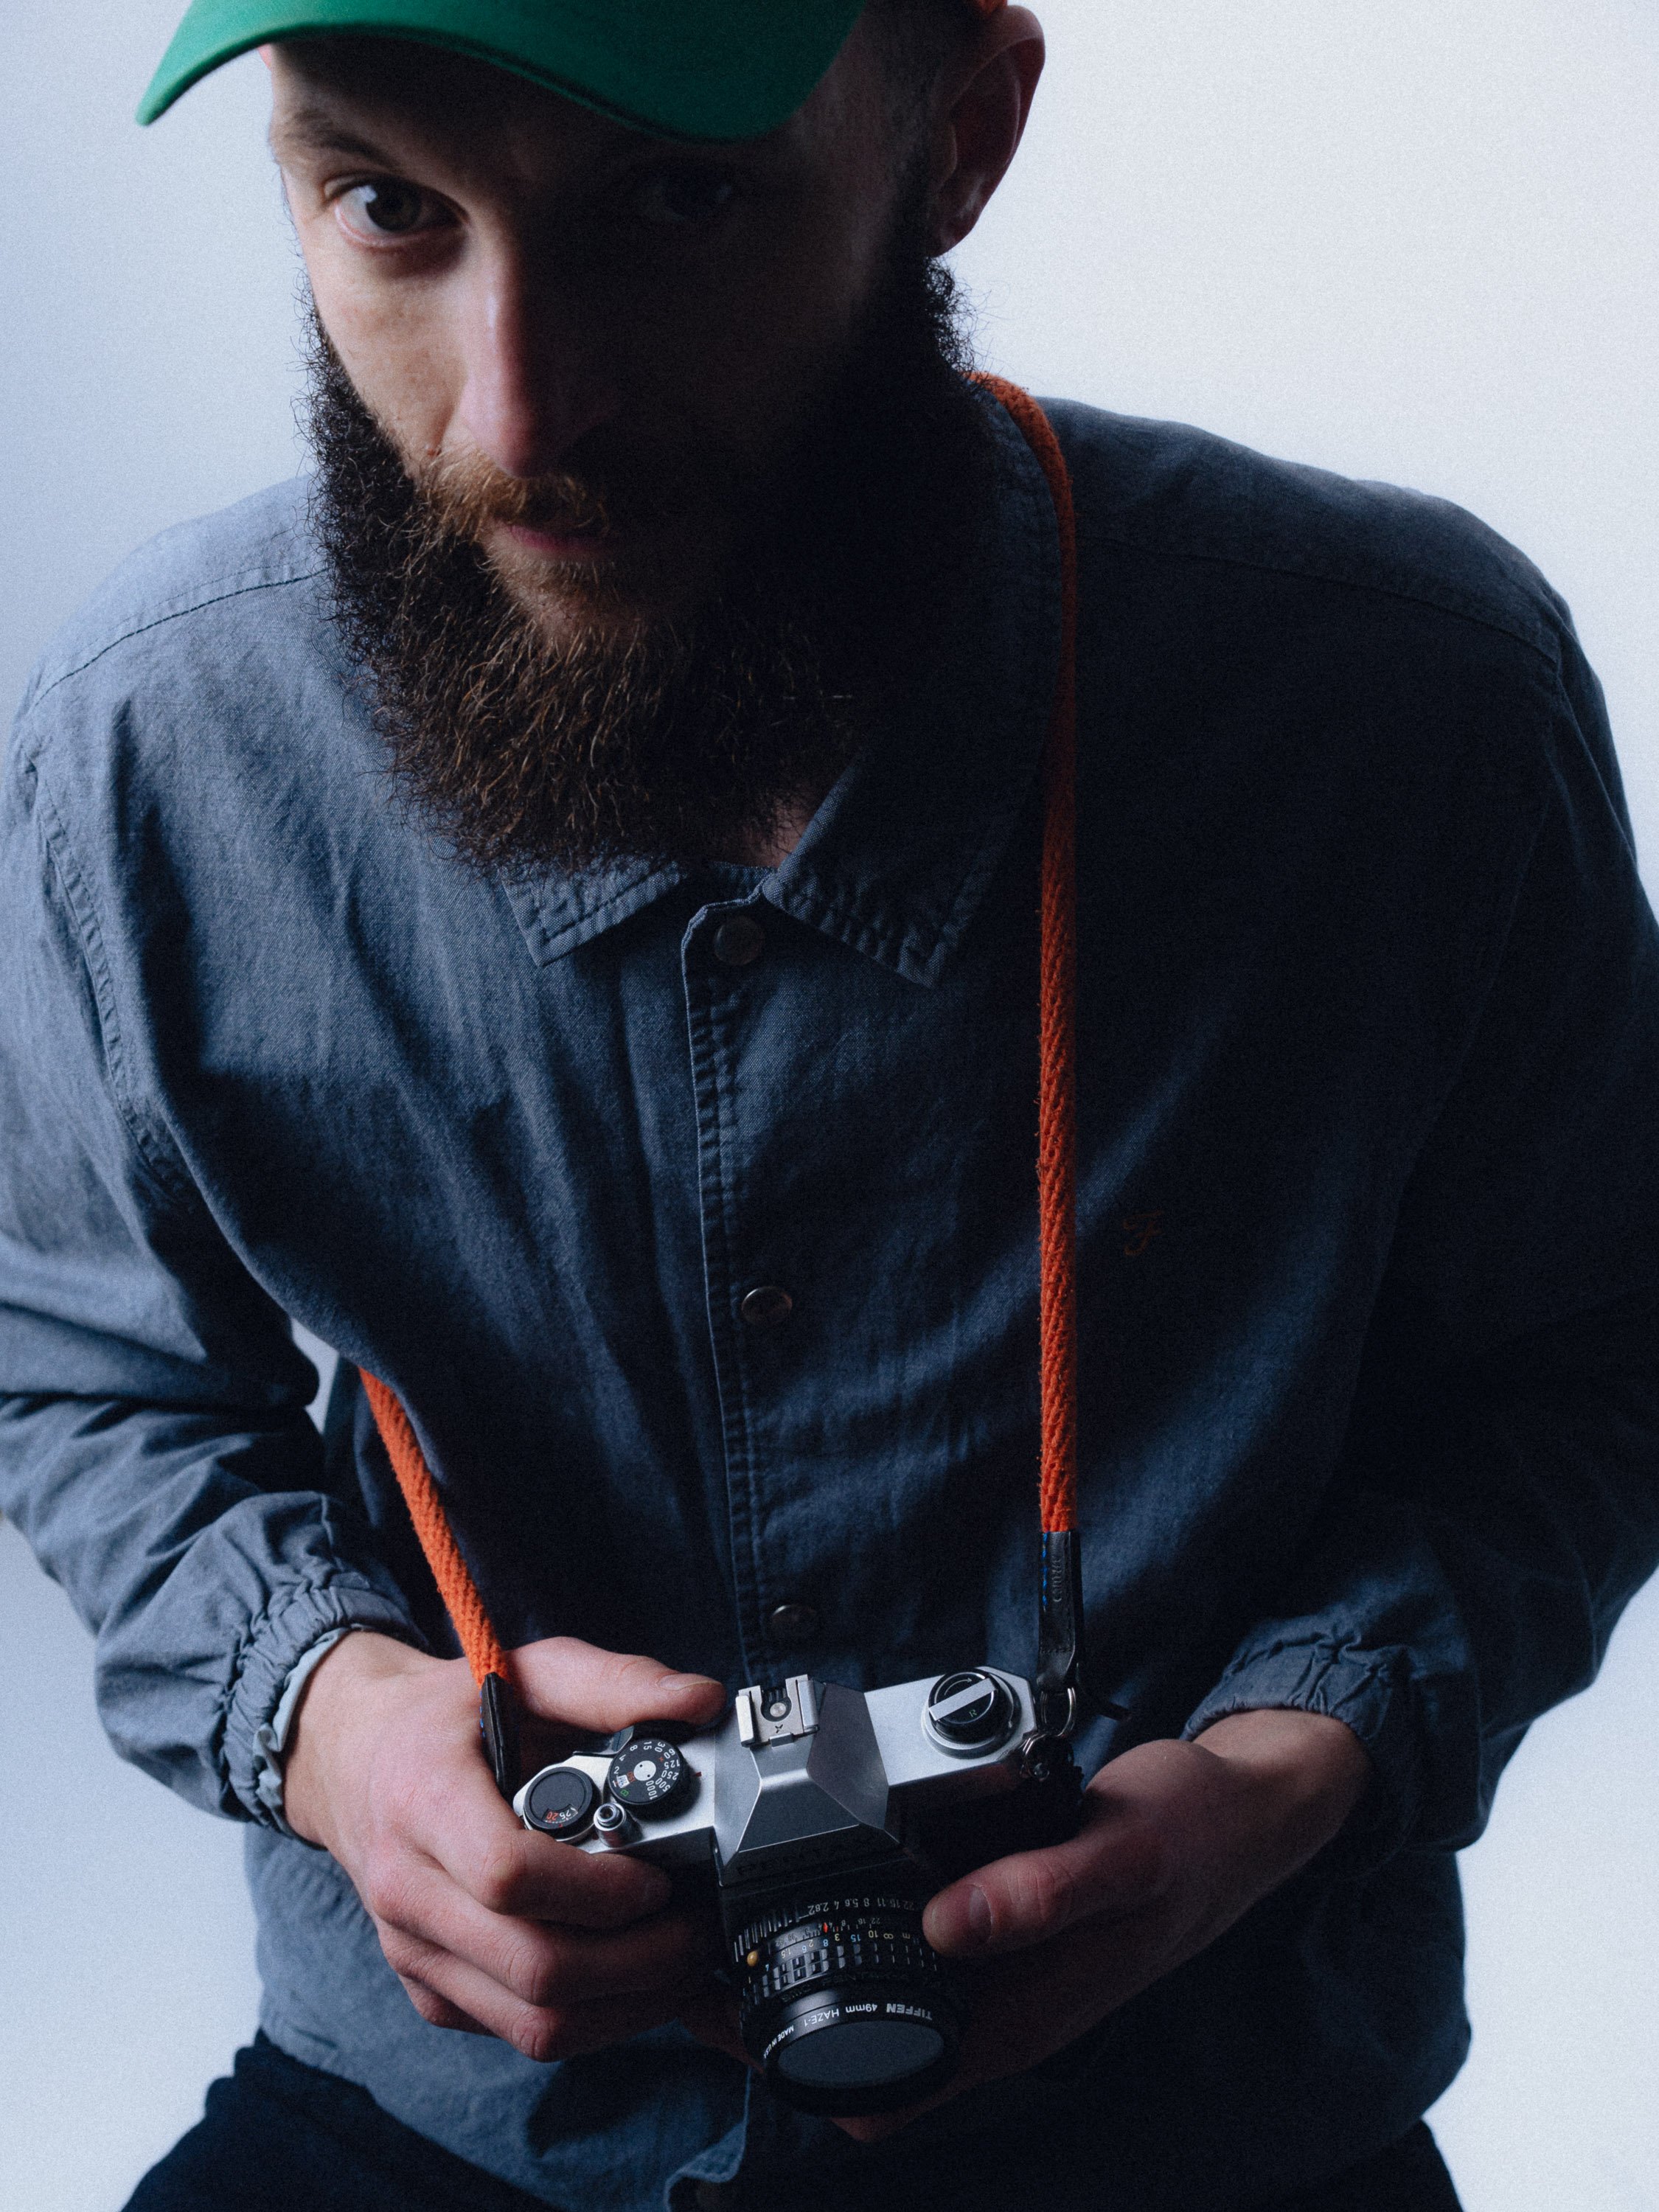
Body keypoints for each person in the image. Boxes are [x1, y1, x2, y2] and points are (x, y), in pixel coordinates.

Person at [1, 1, 1655, 2207]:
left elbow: (1591, 1357)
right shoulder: (151, 744)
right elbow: (80, 1367)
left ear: (957, 130)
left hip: (1212, 2119)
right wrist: (333, 1723)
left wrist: (1295, 1759)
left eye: (676, 201)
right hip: (444, 2126)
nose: (515, 419)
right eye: (388, 204)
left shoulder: (1407, 701)